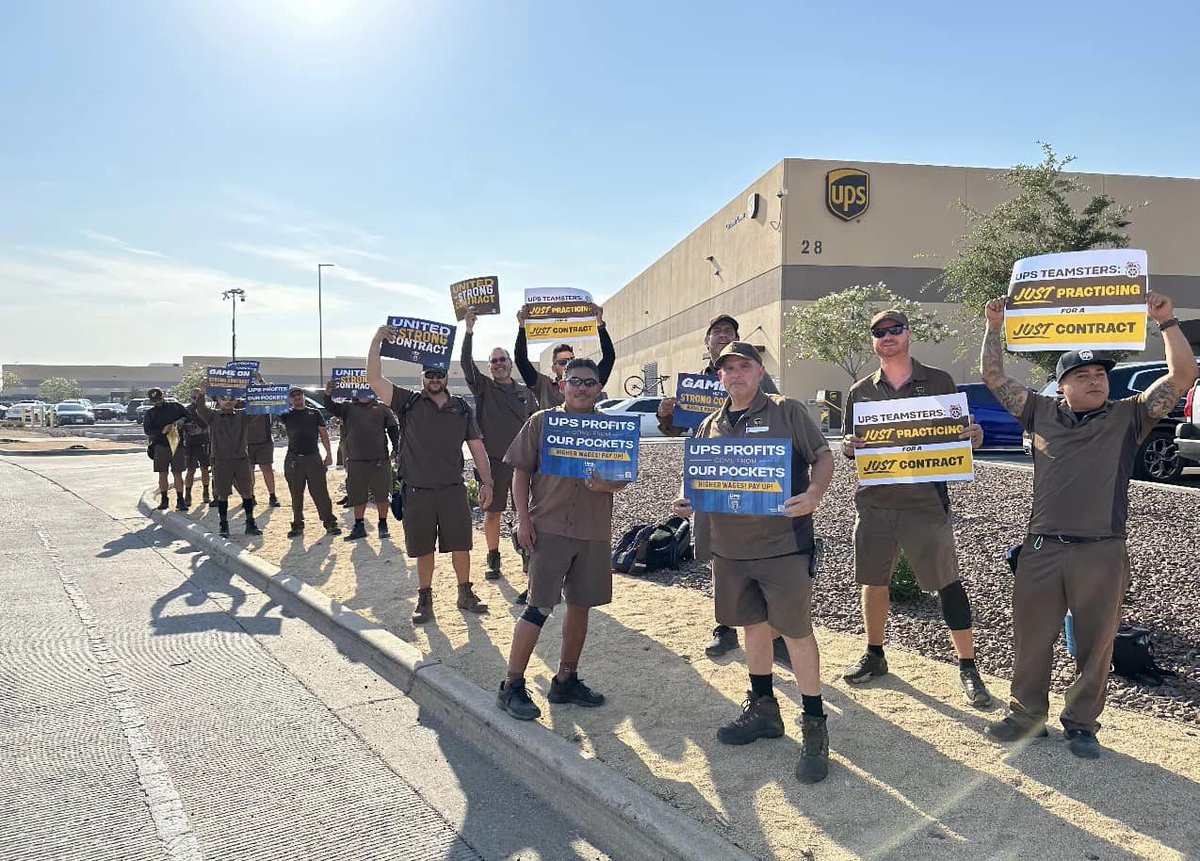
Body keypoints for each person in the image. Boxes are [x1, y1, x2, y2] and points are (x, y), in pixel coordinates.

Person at [980, 292, 1196, 758]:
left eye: (1100, 374)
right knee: (1032, 637)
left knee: (1096, 644)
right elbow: (994, 377)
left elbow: (1183, 376)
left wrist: (1167, 321)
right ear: (1063, 387)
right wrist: (994, 325)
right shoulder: (1039, 411)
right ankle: (1026, 715)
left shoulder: (1128, 417)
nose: (1095, 380)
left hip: (1101, 549)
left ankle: (1082, 724)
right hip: (1041, 548)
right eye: (1083, 375)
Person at [671, 342, 834, 784]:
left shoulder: (787, 411)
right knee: (752, 629)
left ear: (760, 372)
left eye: (745, 366)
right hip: (730, 551)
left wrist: (815, 494)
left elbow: (823, 455)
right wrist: (691, 500)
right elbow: (701, 479)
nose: (736, 374)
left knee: (797, 634)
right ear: (718, 376)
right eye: (728, 368)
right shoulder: (709, 425)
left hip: (783, 546)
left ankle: (815, 727)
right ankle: (764, 710)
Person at [839, 309, 993, 708]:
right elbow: (849, 443)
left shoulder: (939, 381)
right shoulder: (860, 391)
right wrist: (847, 447)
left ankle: (967, 666)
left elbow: (959, 435)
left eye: (895, 330)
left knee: (947, 581)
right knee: (873, 580)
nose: (887, 336)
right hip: (875, 503)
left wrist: (973, 437)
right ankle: (875, 655)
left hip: (926, 502)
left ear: (909, 335)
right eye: (879, 332)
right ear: (872, 341)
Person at [496, 358, 628, 722]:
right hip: (549, 528)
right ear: (561, 385)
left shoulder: (610, 429)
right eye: (575, 381)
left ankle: (565, 679)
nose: (582, 388)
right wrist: (523, 520)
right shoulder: (541, 423)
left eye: (589, 382)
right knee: (538, 606)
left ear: (599, 388)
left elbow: (622, 476)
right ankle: (512, 685)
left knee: (581, 606)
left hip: (593, 531)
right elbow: (519, 474)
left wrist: (607, 485)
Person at [655, 313, 780, 658]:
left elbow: (780, 418)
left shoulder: (757, 378)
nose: (723, 335)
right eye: (717, 332)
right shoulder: (693, 386)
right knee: (719, 554)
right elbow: (676, 431)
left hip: (753, 480)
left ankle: (774, 631)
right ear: (706, 343)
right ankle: (725, 627)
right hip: (711, 480)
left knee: (762, 553)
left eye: (730, 331)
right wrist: (666, 414)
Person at [367, 326, 494, 624]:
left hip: (452, 490)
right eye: (429, 375)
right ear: (421, 378)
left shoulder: (461, 408)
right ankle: (425, 598)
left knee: (461, 545)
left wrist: (486, 481)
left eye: (439, 375)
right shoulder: (407, 402)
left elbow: (476, 448)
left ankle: (465, 593)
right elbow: (374, 379)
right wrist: (376, 341)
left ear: (447, 377)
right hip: (418, 491)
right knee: (423, 549)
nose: (434, 380)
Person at [461, 307, 538, 579]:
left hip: (522, 464)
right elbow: (466, 364)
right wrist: (469, 331)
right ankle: (493, 557)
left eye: (502, 359)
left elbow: (534, 425)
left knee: (525, 513)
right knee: (491, 513)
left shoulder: (525, 393)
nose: (498, 364)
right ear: (489, 366)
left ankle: (528, 557)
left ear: (510, 363)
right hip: (493, 463)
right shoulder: (483, 388)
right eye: (493, 361)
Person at [323, 381, 398, 541]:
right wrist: (328, 392)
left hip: (379, 459)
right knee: (358, 495)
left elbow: (393, 428)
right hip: (356, 460)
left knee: (382, 494)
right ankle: (359, 525)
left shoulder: (382, 408)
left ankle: (382, 523)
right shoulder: (348, 408)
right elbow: (330, 407)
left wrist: (396, 448)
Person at [513, 302, 615, 409]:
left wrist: (600, 325)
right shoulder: (543, 385)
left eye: (571, 360)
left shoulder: (589, 382)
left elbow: (609, 357)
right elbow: (521, 360)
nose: (568, 365)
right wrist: (522, 326)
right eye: (563, 362)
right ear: (553, 368)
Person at [193, 385, 260, 538]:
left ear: (236, 400)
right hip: (221, 461)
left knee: (247, 492)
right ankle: (224, 525)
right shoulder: (213, 416)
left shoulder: (243, 416)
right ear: (218, 400)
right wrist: (202, 393)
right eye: (224, 399)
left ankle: (250, 523)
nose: (228, 402)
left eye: (232, 399)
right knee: (222, 494)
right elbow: (200, 408)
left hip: (241, 459)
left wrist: (259, 389)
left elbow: (258, 409)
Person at [280, 386, 341, 538]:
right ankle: (297, 525)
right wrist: (262, 384)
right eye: (293, 396)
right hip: (294, 459)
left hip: (313, 457)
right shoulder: (286, 414)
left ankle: (330, 523)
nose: (297, 398)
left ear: (304, 396)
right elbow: (269, 400)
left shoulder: (314, 413)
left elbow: (324, 434)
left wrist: (328, 453)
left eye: (299, 395)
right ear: (290, 399)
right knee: (296, 494)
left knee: (321, 493)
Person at [143, 387, 188, 511]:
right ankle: (164, 499)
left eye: (159, 398)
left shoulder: (176, 407)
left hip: (177, 445)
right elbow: (148, 430)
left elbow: (188, 416)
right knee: (163, 473)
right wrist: (161, 431)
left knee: (177, 473)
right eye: (155, 400)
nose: (158, 402)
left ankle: (180, 500)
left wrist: (181, 421)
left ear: (163, 396)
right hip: (161, 446)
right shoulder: (150, 413)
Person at [246, 384, 280, 507]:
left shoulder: (266, 403)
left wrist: (261, 381)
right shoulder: (241, 404)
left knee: (267, 469)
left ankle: (272, 495)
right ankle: (250, 495)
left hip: (264, 441)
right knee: (249, 471)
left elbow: (272, 394)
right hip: (246, 442)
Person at [182, 388, 211, 507]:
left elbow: (205, 424)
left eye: (197, 398)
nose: (195, 400)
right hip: (191, 443)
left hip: (204, 442)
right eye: (194, 398)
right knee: (190, 470)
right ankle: (187, 494)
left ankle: (206, 491)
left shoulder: (205, 410)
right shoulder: (186, 410)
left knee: (205, 469)